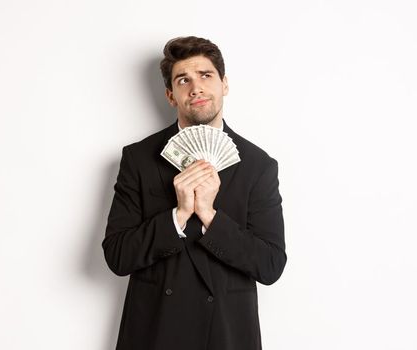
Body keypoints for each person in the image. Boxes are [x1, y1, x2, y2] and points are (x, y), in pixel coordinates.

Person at [102, 36, 286, 350]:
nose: (196, 87)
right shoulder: (139, 158)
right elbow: (117, 256)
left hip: (226, 335)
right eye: (183, 79)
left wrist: (209, 216)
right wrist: (179, 214)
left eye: (205, 75)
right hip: (154, 331)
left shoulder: (258, 166)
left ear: (224, 84)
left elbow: (270, 265)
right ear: (171, 95)